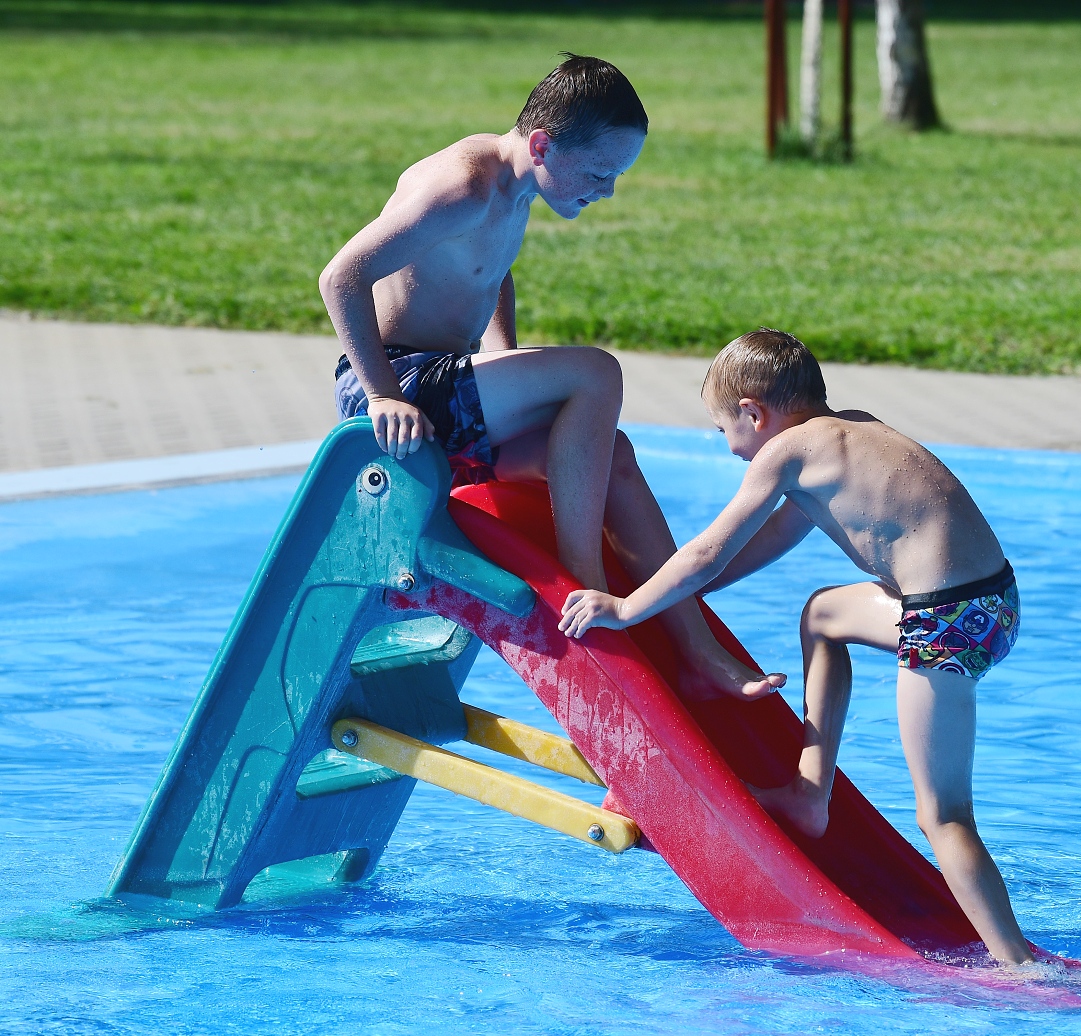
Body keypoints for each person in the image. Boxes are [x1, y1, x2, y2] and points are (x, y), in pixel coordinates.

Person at [557, 328, 1034, 965]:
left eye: (724, 428)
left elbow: (704, 552)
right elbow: (770, 537)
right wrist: (672, 594)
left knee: (943, 815)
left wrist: (625, 607)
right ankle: (810, 794)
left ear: (754, 413)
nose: (727, 445)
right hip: (992, 603)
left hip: (944, 621)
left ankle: (1019, 967)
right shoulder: (851, 429)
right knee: (824, 615)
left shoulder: (784, 452)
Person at [319, 54, 781, 702]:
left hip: (446, 385)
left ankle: (696, 649)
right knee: (598, 373)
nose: (607, 190)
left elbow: (493, 270)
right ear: (541, 144)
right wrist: (380, 396)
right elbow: (341, 277)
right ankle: (582, 581)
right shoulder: (460, 186)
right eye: (599, 172)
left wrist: (501, 355)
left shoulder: (516, 185)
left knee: (612, 456)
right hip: (401, 384)